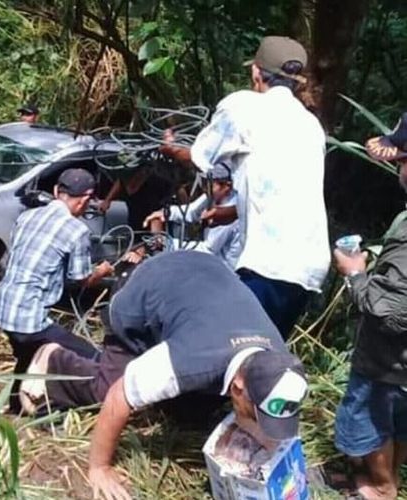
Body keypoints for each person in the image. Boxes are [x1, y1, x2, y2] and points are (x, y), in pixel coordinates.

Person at [18, 251, 308, 499]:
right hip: (143, 294)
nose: (258, 423)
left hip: (201, 278)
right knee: (107, 390)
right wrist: (99, 468)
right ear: (238, 385)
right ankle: (54, 360)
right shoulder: (194, 360)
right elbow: (120, 397)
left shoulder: (278, 358)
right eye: (256, 414)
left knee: (190, 412)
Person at [161, 36, 331, 339]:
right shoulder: (310, 126)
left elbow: (202, 158)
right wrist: (231, 212)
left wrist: (172, 150)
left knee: (224, 351)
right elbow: (283, 191)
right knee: (262, 356)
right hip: (308, 268)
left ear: (256, 72)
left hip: (269, 265)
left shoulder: (244, 107)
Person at [0, 168, 114, 413]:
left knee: (27, 356)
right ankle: (53, 411)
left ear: (57, 191)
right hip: (29, 318)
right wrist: (101, 271)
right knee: (91, 358)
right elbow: (81, 279)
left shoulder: (28, 216)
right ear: (85, 198)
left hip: (3, 308)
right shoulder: (76, 230)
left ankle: (16, 407)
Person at [332, 119, 407, 500]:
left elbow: (390, 313)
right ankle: (386, 476)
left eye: (403, 161)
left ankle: (380, 488)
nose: (398, 169)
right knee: (397, 425)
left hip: (387, 363)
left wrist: (355, 274)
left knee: (373, 423)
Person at [143, 163, 242, 269]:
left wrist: (167, 243)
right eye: (205, 184)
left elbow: (208, 251)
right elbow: (191, 212)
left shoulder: (229, 212)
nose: (205, 190)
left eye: (210, 185)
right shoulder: (214, 195)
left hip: (226, 269)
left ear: (227, 186)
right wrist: (165, 213)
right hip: (212, 263)